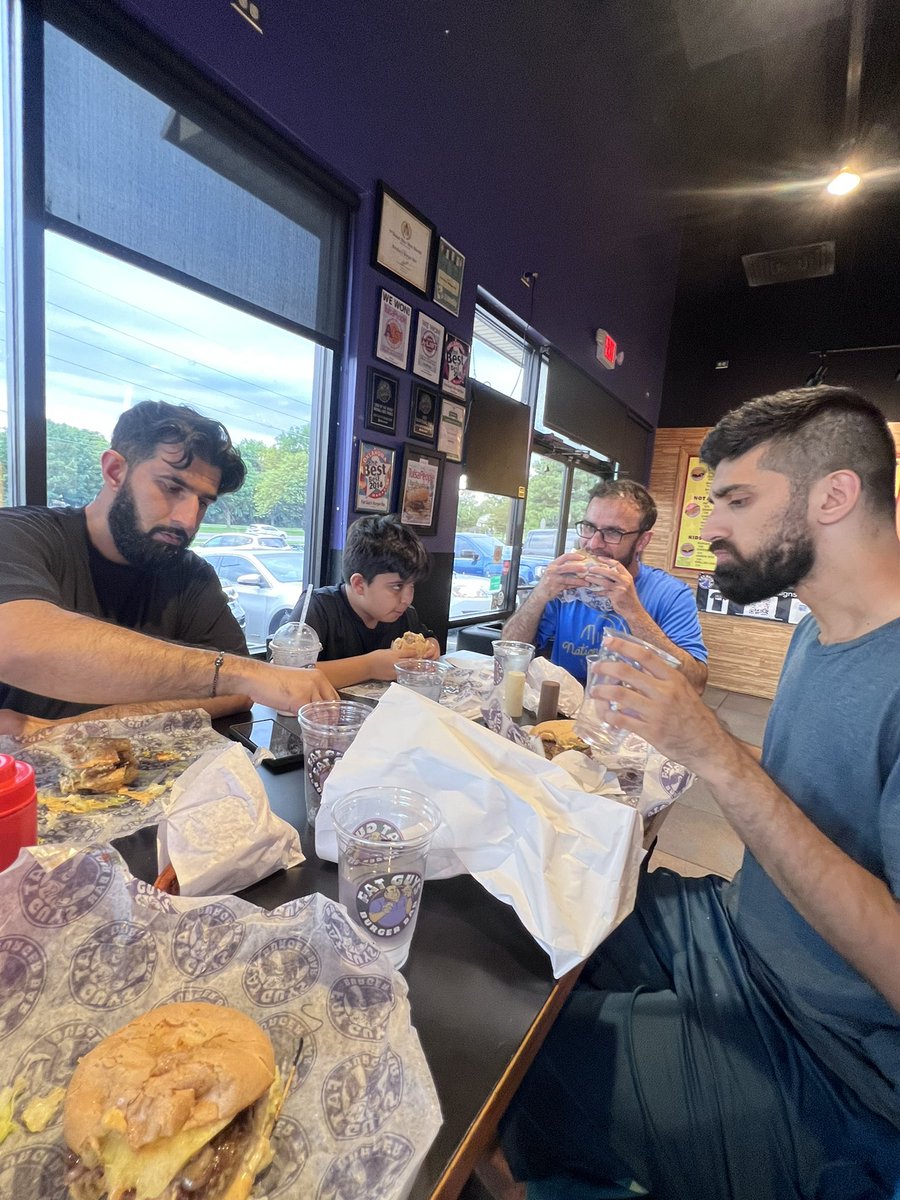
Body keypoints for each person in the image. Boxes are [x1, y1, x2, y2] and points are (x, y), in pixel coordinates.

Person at [483, 386, 900, 1200]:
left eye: (737, 500)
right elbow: (806, 798)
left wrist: (714, 753)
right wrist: (704, 746)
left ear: (835, 495)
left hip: (835, 1054)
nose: (708, 529)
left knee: (517, 1066)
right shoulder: (822, 629)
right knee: (548, 916)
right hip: (749, 931)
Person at [0, 400, 336, 727]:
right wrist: (241, 673)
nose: (188, 520)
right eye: (171, 487)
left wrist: (76, 727)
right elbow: (18, 645)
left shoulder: (190, 574)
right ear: (115, 470)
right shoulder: (18, 535)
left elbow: (237, 695)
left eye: (203, 502)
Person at [502, 480, 708, 691]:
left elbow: (695, 683)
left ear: (642, 541)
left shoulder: (671, 594)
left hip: (635, 718)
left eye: (613, 533)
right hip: (561, 709)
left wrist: (634, 613)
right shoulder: (564, 583)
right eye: (589, 527)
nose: (593, 544)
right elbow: (509, 650)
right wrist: (539, 595)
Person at [292, 513, 441, 688]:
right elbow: (287, 672)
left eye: (412, 586)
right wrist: (370, 667)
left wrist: (431, 648)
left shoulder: (405, 616)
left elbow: (430, 638)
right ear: (359, 585)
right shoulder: (318, 608)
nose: (407, 599)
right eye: (397, 587)